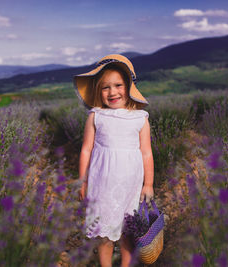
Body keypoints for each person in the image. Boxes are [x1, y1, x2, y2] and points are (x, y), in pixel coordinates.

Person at [74, 54, 154, 267]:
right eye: (105, 87)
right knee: (105, 233)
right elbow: (86, 150)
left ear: (129, 86)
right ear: (98, 91)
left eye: (118, 85)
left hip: (130, 185)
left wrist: (148, 184)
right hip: (102, 184)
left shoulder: (140, 118)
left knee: (128, 232)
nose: (112, 92)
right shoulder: (96, 115)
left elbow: (146, 152)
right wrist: (82, 181)